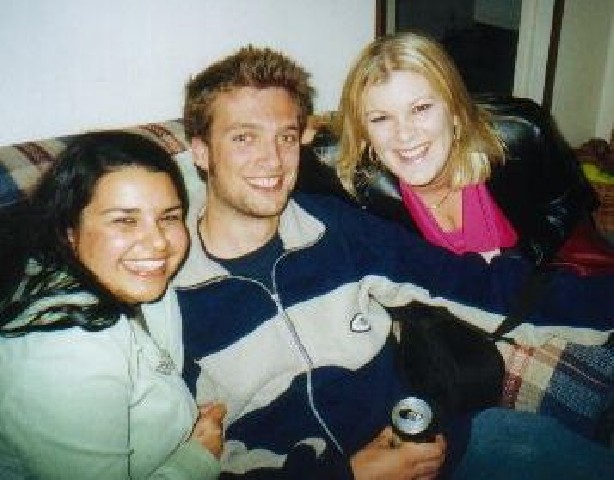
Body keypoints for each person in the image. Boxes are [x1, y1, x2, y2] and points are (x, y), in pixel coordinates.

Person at [144, 45, 614, 479]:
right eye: (244, 138)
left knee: (540, 445)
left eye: (285, 136)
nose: (272, 160)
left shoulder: (338, 230)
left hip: (433, 447)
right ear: (200, 151)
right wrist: (352, 474)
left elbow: (478, 286)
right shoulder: (164, 293)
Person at [334, 31, 614, 442]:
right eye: (381, 119)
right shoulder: (364, 189)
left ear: (454, 109)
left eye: (421, 108)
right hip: (475, 321)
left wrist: (518, 261)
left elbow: (571, 203)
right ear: (365, 134)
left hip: (549, 286)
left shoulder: (520, 134)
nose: (404, 134)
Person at [0, 132, 224, 479]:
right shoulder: (65, 352)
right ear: (68, 230)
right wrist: (198, 458)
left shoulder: (130, 279)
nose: (158, 243)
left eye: (168, 217)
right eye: (124, 220)